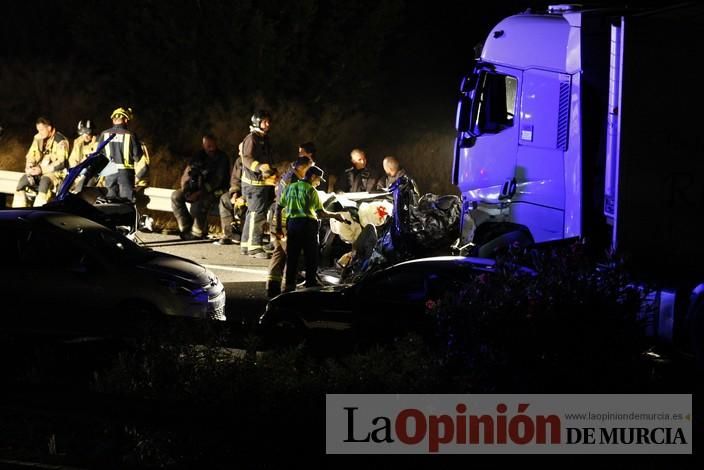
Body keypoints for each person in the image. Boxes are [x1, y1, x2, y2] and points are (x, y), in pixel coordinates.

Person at [278, 165, 347, 292]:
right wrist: (336, 216)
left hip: (292, 225)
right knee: (311, 255)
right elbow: (320, 213)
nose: (319, 183)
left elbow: (279, 206)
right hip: (308, 226)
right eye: (318, 180)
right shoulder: (311, 191)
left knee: (292, 255)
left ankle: (289, 285)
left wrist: (278, 226)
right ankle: (310, 282)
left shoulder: (290, 187)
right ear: (313, 177)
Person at [266, 156, 314, 297]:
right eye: (309, 167)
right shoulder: (292, 179)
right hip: (285, 221)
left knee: (279, 253)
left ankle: (272, 287)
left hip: (279, 220)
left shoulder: (289, 176)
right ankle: (288, 288)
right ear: (303, 167)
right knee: (292, 254)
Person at [171, 134, 230, 240]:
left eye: (213, 145)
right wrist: (187, 191)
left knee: (203, 201)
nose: (211, 148)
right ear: (203, 145)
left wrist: (198, 193)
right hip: (198, 188)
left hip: (218, 190)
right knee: (176, 196)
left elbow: (217, 181)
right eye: (208, 146)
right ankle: (185, 227)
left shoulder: (222, 158)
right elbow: (187, 174)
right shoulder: (198, 156)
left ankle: (196, 233)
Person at [240, 110, 276, 259]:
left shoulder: (263, 139)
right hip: (254, 184)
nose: (267, 124)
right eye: (264, 121)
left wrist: (272, 171)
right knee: (257, 214)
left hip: (262, 183)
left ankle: (246, 245)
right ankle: (254, 247)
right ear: (257, 122)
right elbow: (246, 158)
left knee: (253, 213)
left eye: (268, 121)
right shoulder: (252, 138)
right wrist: (259, 167)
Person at [13, 117, 69, 207]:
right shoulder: (38, 137)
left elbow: (61, 163)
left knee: (44, 183)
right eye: (38, 130)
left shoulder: (60, 140)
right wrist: (30, 166)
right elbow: (32, 154)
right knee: (22, 183)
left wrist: (41, 170)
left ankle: (38, 214)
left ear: (49, 128)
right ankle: (17, 214)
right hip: (39, 170)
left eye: (42, 130)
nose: (39, 132)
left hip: (55, 173)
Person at [98, 107, 142, 201]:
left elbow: (98, 154)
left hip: (109, 172)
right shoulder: (130, 135)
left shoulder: (104, 134)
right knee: (126, 203)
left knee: (110, 202)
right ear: (125, 120)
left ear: (113, 120)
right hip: (125, 173)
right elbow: (137, 157)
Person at [214, 142, 246, 245]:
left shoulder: (256, 163)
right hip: (240, 191)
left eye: (241, 151)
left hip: (252, 193)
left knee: (242, 206)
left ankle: (243, 234)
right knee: (225, 199)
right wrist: (234, 193)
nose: (239, 153)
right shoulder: (239, 161)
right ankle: (229, 234)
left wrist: (244, 196)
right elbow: (235, 179)